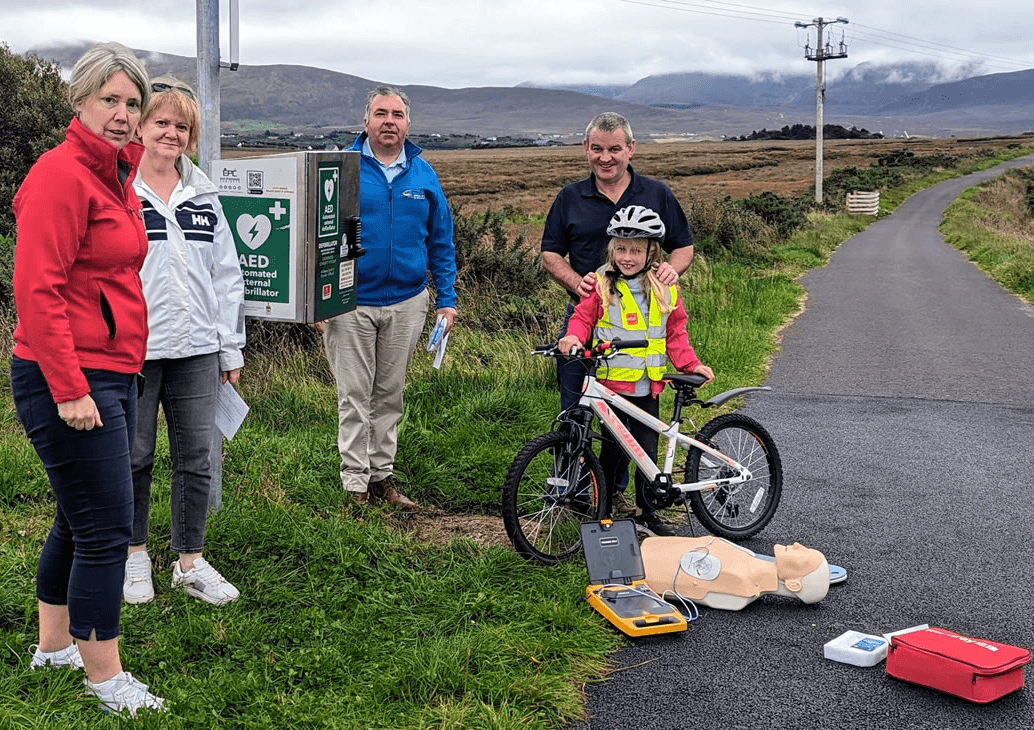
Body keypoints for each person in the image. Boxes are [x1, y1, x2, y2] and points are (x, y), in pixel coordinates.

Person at [11, 42, 164, 715]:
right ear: (79, 102)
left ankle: (53, 649)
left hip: (111, 367)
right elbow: (37, 291)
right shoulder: (61, 176)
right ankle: (106, 679)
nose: (124, 114)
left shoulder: (112, 177)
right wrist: (70, 387)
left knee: (79, 521)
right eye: (110, 99)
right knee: (108, 529)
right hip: (68, 375)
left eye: (133, 103)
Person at [123, 75, 245, 607]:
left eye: (181, 125)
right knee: (135, 456)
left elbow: (226, 276)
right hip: (133, 350)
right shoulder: (120, 189)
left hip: (198, 349)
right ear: (142, 127)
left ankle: (189, 560)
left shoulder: (203, 194)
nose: (170, 132)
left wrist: (230, 347)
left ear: (190, 135)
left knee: (197, 456)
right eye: (161, 122)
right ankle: (133, 556)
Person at [316, 86, 457, 508]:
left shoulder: (423, 173)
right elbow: (316, 234)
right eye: (381, 113)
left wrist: (446, 298)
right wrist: (315, 299)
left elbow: (441, 240)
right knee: (354, 396)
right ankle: (355, 484)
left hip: (407, 301)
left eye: (397, 114)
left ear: (407, 124)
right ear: (366, 122)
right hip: (349, 301)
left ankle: (382, 477)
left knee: (389, 395)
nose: (389, 121)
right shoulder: (341, 167)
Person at [558, 205, 713, 537]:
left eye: (637, 250)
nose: (628, 256)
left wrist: (690, 364)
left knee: (647, 452)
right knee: (612, 450)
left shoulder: (664, 287)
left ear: (651, 252)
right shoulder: (601, 283)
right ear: (613, 249)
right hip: (611, 386)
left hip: (648, 387)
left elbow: (675, 334)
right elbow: (583, 318)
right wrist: (572, 336)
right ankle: (608, 508)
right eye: (622, 249)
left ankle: (647, 512)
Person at [541, 112, 695, 412]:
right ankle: (575, 460)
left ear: (630, 148)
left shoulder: (657, 193)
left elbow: (684, 248)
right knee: (573, 415)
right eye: (597, 149)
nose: (605, 158)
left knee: (632, 421)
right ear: (586, 148)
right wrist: (578, 283)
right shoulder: (569, 197)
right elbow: (550, 254)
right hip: (584, 315)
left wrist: (670, 271)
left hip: (641, 324)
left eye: (614, 149)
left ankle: (623, 458)